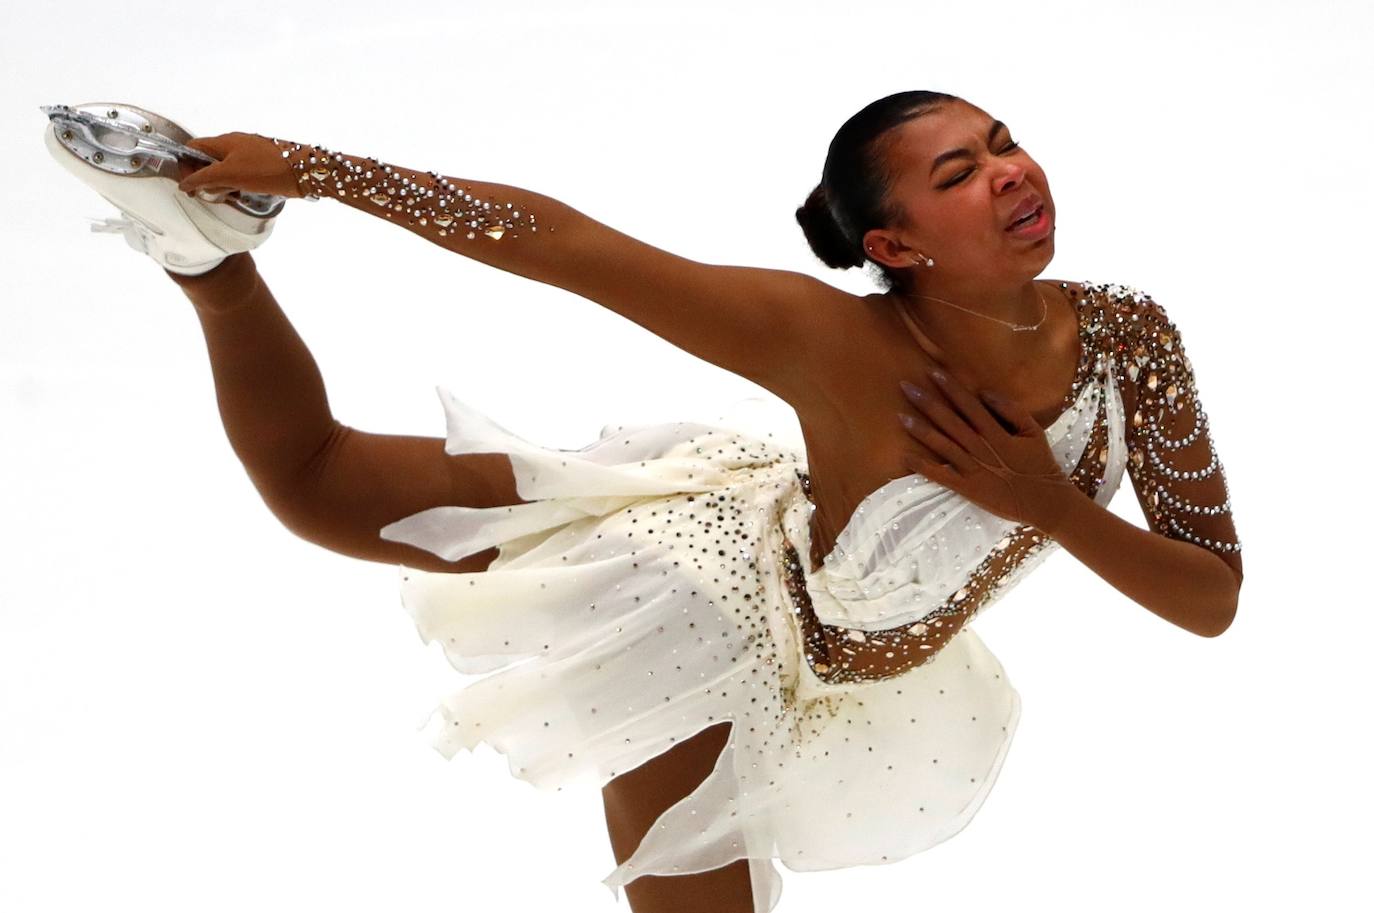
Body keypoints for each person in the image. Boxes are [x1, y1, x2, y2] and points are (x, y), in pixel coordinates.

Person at [49, 90, 1243, 913]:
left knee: (323, 496)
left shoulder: (1131, 337)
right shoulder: (828, 340)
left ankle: (208, 258)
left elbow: (1213, 600)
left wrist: (1049, 499)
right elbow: (564, 245)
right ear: (896, 240)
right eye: (961, 173)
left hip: (856, 662)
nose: (1011, 171)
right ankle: (211, 260)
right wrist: (323, 171)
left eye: (1002, 142)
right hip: (704, 618)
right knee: (318, 487)